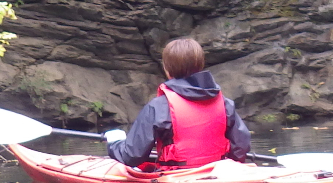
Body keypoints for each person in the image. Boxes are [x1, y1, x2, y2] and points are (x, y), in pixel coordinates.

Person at [105, 38, 251, 168]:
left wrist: (115, 143)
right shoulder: (225, 104)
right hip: (215, 174)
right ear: (200, 64)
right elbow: (241, 146)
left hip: (175, 177)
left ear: (167, 69)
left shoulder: (159, 107)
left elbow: (131, 156)